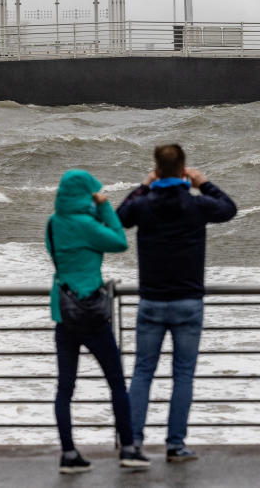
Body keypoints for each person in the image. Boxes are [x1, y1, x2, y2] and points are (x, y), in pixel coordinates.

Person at [117, 144, 237, 462]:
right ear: (184, 169)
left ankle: (133, 444)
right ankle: (175, 444)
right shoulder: (196, 205)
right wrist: (204, 183)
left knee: (143, 372)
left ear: (156, 169)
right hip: (188, 302)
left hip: (152, 301)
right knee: (183, 375)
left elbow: (119, 218)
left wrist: (143, 185)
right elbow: (229, 208)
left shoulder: (143, 203)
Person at [46, 169, 150, 473]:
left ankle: (68, 454)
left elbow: (54, 251)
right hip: (90, 311)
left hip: (63, 311)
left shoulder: (53, 223)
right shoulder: (87, 225)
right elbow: (119, 241)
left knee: (65, 388)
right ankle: (129, 449)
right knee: (116, 383)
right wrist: (104, 206)